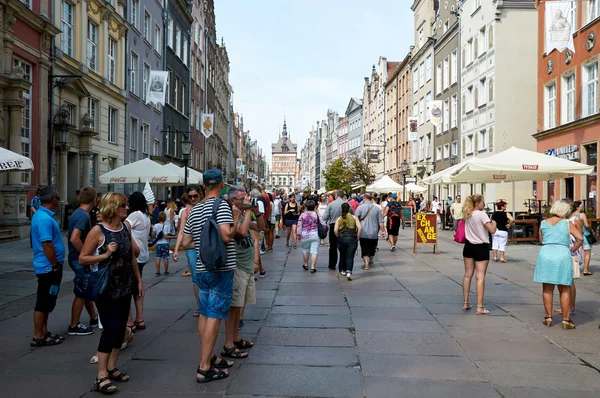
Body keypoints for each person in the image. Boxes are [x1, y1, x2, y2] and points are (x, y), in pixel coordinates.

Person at [79, 192, 144, 394]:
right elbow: (83, 258)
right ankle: (101, 375)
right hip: (106, 288)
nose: (127, 208)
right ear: (113, 207)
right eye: (123, 205)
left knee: (121, 328)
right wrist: (105, 254)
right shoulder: (98, 231)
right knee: (110, 329)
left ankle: (112, 366)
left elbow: (132, 256)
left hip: (125, 286)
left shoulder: (125, 227)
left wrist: (139, 281)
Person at [182, 169, 237, 383]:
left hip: (201, 266)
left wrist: (204, 243)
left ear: (204, 185)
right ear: (222, 184)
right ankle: (204, 367)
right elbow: (225, 236)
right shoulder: (221, 205)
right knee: (215, 315)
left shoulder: (194, 210)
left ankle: (209, 357)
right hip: (221, 268)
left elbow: (186, 242)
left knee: (204, 313)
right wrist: (233, 220)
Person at [223, 186, 265, 360]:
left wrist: (257, 212)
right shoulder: (232, 214)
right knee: (233, 307)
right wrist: (247, 211)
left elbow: (261, 228)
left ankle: (236, 339)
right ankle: (229, 344)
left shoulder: (243, 214)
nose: (246, 200)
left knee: (239, 306)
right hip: (237, 265)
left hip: (246, 266)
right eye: (242, 198)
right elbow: (240, 232)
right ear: (233, 200)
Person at [534, 201, 583, 329]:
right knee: (564, 288)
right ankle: (566, 320)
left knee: (547, 288)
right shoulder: (567, 223)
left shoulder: (543, 223)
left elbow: (541, 240)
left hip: (546, 253)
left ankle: (548, 317)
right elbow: (580, 239)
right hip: (562, 253)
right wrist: (572, 250)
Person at [30, 186, 66, 347]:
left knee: (47, 301)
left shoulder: (41, 215)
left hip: (47, 266)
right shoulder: (44, 219)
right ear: (54, 200)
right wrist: (55, 265)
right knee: (43, 302)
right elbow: (47, 245)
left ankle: (44, 332)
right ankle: (38, 336)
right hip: (47, 267)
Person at [67, 186, 98, 336]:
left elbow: (69, 233)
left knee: (85, 289)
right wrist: (85, 254)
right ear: (94, 201)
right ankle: (74, 325)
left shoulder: (77, 213)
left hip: (74, 256)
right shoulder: (84, 216)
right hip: (77, 257)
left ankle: (94, 317)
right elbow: (74, 238)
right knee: (81, 291)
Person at [461, 194, 497, 315]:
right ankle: (480, 307)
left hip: (468, 246)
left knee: (467, 275)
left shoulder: (468, 213)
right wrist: (494, 223)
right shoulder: (482, 214)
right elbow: (492, 230)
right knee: (480, 276)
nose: (484, 204)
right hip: (481, 246)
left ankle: (466, 302)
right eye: (482, 202)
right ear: (477, 203)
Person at [174, 185, 205, 317]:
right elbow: (181, 232)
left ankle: (207, 303)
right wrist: (176, 249)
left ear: (200, 195)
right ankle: (200, 306)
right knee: (196, 278)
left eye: (195, 196)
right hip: (191, 247)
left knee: (206, 274)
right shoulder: (185, 211)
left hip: (204, 246)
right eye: (190, 196)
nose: (193, 199)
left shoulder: (206, 208)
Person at [125, 190, 153, 331]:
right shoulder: (146, 216)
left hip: (134, 255)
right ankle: (140, 318)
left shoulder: (134, 215)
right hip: (143, 254)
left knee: (128, 287)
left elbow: (124, 227)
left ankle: (129, 321)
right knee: (137, 285)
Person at [323, 190, 353, 271]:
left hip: (333, 226)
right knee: (344, 247)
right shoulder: (348, 204)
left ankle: (332, 264)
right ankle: (343, 266)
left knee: (333, 247)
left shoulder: (331, 204)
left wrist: (330, 218)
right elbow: (353, 215)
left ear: (336, 196)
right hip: (345, 227)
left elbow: (324, 217)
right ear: (343, 196)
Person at [356, 193, 384, 272]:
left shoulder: (360, 208)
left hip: (363, 232)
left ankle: (366, 263)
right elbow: (381, 221)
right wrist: (383, 230)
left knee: (364, 248)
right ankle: (371, 259)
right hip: (374, 232)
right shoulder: (377, 208)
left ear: (364, 198)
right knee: (372, 247)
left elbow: (356, 219)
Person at [334, 203, 362, 280]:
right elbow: (360, 228)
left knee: (342, 254)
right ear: (349, 209)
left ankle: (342, 270)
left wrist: (338, 236)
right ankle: (349, 271)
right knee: (350, 256)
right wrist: (358, 237)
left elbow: (335, 230)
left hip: (341, 238)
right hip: (352, 238)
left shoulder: (339, 218)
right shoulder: (354, 218)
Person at [297, 200, 320, 273]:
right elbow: (323, 222)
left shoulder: (302, 215)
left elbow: (299, 225)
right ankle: (313, 267)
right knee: (314, 251)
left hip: (305, 234)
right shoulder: (316, 214)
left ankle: (306, 264)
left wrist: (298, 234)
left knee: (305, 250)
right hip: (315, 234)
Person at [574, 201, 594, 276]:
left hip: (575, 236)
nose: (583, 207)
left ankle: (575, 268)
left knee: (574, 252)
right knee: (587, 252)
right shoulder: (582, 215)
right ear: (578, 207)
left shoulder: (571, 215)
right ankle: (585, 269)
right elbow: (586, 225)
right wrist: (591, 229)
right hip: (585, 235)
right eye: (582, 205)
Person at [152, 212, 171, 276]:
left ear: (158, 218)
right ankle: (166, 271)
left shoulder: (156, 225)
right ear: (165, 218)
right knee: (166, 257)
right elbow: (167, 236)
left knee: (158, 257)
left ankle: (158, 272)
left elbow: (153, 234)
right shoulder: (166, 226)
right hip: (165, 243)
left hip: (158, 243)